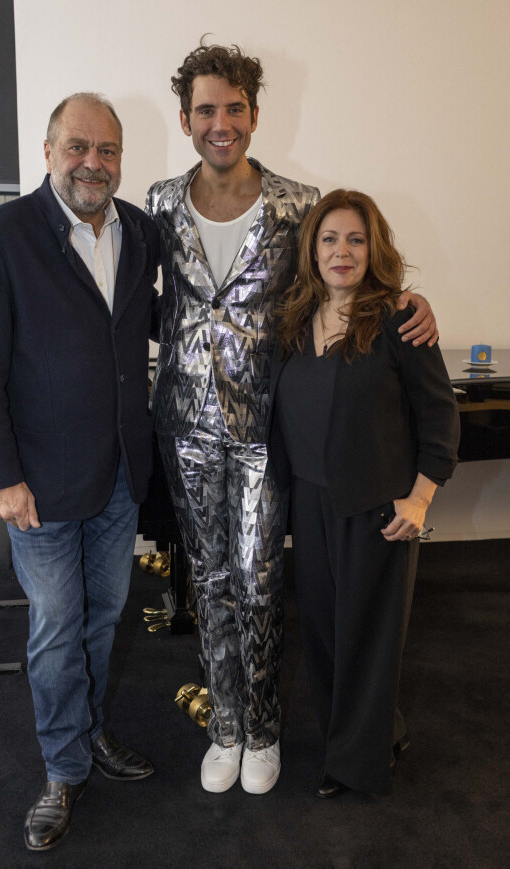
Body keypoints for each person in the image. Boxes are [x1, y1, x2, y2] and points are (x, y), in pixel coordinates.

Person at [145, 40, 438, 796]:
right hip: (185, 425)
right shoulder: (157, 202)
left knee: (261, 577)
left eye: (234, 108)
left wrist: (410, 299)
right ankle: (228, 725)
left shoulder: (298, 203)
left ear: (253, 114)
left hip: (267, 428)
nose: (221, 122)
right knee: (205, 580)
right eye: (206, 108)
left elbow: (347, 271)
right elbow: (146, 305)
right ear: (185, 118)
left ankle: (267, 727)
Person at [0, 93, 159, 851]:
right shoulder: (5, 234)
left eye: (107, 151)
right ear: (47, 152)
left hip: (117, 476)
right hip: (37, 485)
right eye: (78, 147)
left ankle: (92, 732)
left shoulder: (139, 233)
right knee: (53, 628)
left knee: (103, 620)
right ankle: (63, 769)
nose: (93, 163)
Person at [269, 189, 460, 797]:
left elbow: (440, 417)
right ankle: (368, 732)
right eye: (329, 239)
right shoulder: (294, 320)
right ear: (313, 250)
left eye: (355, 239)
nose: (342, 251)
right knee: (323, 633)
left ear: (373, 249)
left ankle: (353, 767)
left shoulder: (400, 318)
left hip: (379, 506)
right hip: (311, 500)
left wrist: (420, 500)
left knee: (368, 638)